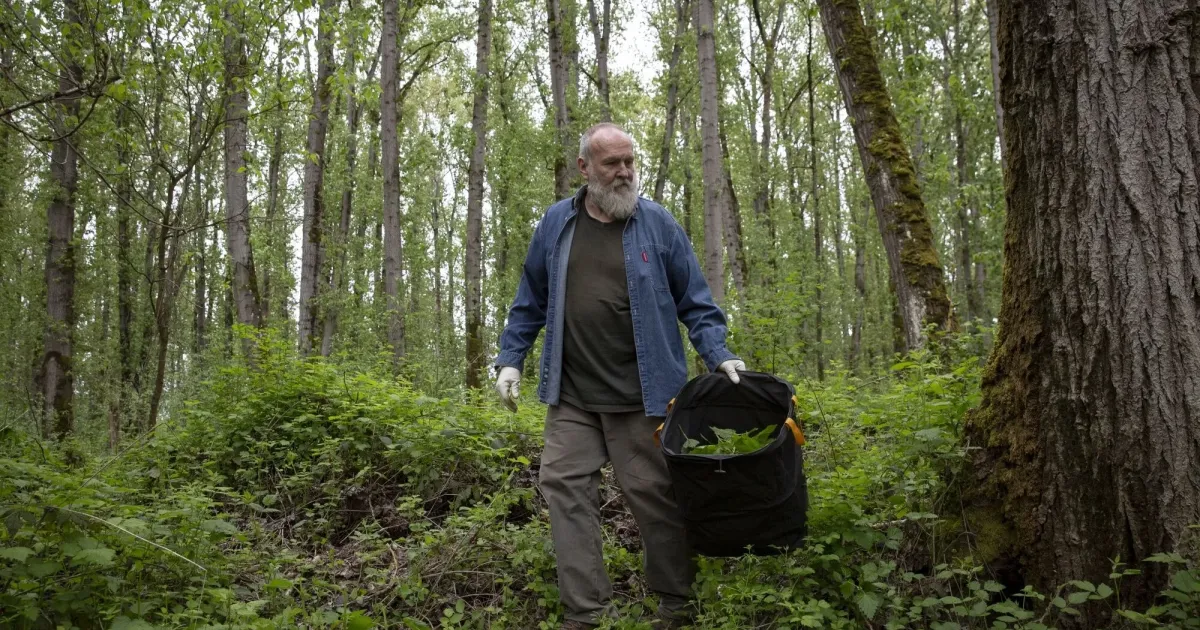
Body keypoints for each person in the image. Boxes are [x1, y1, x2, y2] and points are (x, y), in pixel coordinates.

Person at [493, 122, 744, 629]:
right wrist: (510, 358)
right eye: (613, 163)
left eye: (630, 161)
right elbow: (530, 301)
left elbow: (695, 300)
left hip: (644, 397)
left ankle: (677, 605)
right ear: (584, 168)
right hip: (574, 396)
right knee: (563, 489)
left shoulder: (657, 224)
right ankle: (585, 614)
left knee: (654, 498)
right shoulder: (556, 226)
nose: (625, 172)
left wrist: (719, 353)